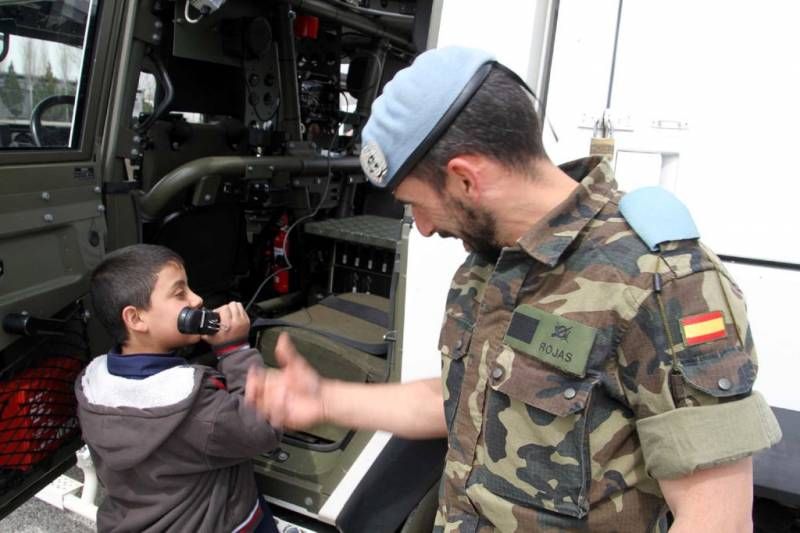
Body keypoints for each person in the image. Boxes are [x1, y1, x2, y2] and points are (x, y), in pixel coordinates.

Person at [245, 46, 781, 532]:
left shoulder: (662, 282)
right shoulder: (488, 263)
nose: (424, 227)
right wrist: (324, 399)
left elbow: (719, 519)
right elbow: (466, 400)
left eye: (416, 204)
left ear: (465, 178)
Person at [75, 244, 280, 533]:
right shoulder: (197, 407)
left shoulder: (90, 388)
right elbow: (265, 426)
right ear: (135, 318)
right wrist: (235, 350)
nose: (196, 299)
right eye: (179, 292)